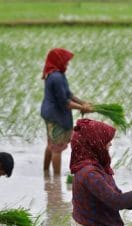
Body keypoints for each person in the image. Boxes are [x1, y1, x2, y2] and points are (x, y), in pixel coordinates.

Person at [41, 48, 92, 176]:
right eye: (66, 61)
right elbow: (64, 102)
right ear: (58, 61)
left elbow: (68, 94)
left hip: (50, 114)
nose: (67, 64)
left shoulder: (55, 74)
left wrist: (82, 102)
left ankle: (46, 173)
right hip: (55, 116)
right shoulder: (56, 77)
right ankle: (56, 181)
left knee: (51, 144)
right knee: (57, 149)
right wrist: (82, 108)